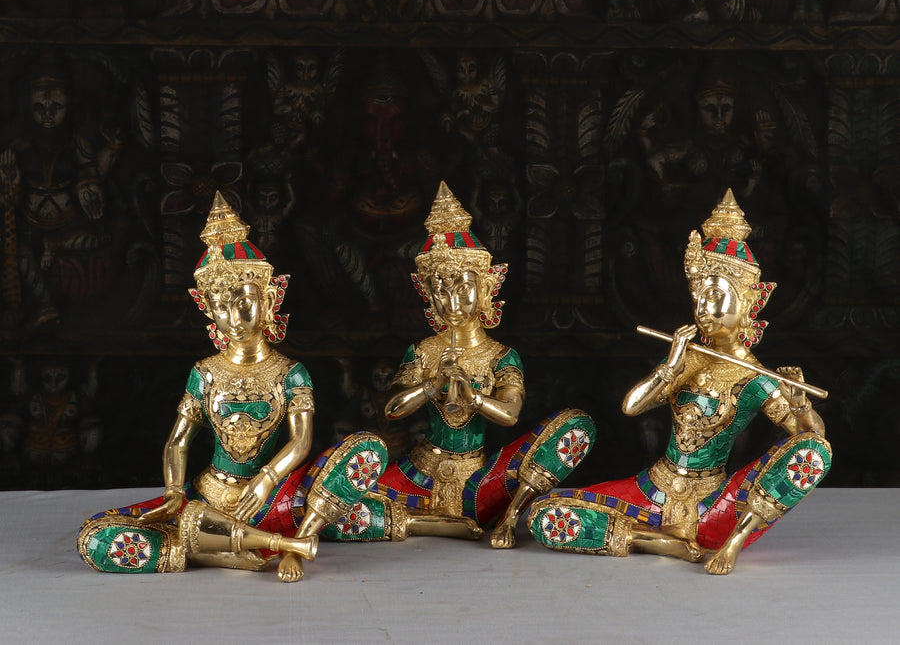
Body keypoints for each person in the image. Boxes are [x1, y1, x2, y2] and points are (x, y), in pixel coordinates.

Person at [76, 192, 387, 581]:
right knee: (96, 537)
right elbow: (178, 441)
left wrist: (265, 480)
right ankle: (255, 548)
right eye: (220, 306)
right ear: (207, 310)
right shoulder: (205, 372)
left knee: (366, 452)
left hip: (273, 497)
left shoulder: (290, 372)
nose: (234, 318)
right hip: (208, 499)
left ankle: (232, 544)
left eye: (243, 301)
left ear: (268, 298)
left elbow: (301, 442)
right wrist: (174, 491)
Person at [528, 189, 831, 574]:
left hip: (712, 504)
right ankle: (653, 541)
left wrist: (801, 405)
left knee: (813, 454)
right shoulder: (686, 358)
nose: (703, 308)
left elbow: (809, 438)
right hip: (652, 490)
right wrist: (671, 366)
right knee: (545, 514)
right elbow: (632, 407)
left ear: (749, 303)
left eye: (715, 297)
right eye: (699, 296)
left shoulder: (756, 378)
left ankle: (730, 539)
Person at [321, 182, 595, 548]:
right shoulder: (423, 351)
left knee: (573, 427)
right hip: (419, 474)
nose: (451, 302)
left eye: (463, 289)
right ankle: (428, 524)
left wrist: (474, 397)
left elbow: (510, 414)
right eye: (440, 291)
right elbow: (392, 408)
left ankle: (503, 513)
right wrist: (432, 385)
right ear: (428, 295)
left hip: (478, 480)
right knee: (331, 509)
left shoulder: (500, 356)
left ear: (486, 289)